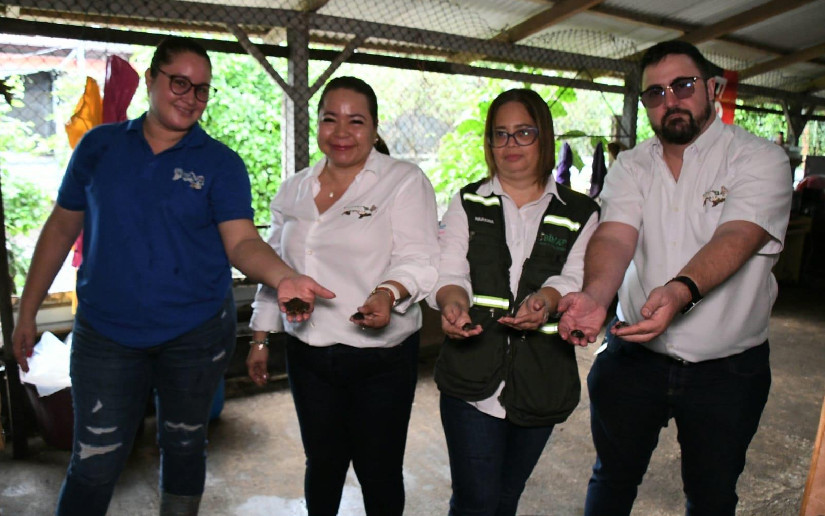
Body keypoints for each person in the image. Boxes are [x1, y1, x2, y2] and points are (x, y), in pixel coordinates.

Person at [11, 36, 332, 516]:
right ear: (151, 80)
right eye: (179, 83)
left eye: (201, 89)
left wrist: (283, 276)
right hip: (107, 334)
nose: (190, 97)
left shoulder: (220, 163)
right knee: (95, 459)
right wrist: (28, 312)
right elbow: (60, 228)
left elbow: (242, 242)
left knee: (184, 447)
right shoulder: (100, 146)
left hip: (194, 335)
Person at [557, 40, 793, 515]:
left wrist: (680, 291)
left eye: (683, 86)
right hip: (634, 357)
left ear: (713, 88)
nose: (671, 100)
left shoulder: (758, 158)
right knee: (612, 477)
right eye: (655, 93)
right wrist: (597, 297)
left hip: (727, 370)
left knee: (711, 494)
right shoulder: (632, 164)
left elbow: (738, 235)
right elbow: (615, 236)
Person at [246, 76, 439, 516]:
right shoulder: (294, 188)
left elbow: (420, 257)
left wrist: (388, 293)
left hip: (381, 359)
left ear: (374, 127)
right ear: (317, 124)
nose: (341, 132)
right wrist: (260, 336)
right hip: (308, 353)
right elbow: (274, 266)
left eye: (356, 121)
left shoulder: (402, 181)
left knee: (379, 470)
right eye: (330, 119)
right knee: (322, 464)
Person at [430, 88, 599, 516]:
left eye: (524, 132)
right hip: (472, 380)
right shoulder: (469, 201)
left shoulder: (581, 211)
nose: (510, 144)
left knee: (506, 497)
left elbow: (575, 277)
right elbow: (450, 272)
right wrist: (452, 303)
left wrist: (546, 299)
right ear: (489, 142)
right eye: (500, 134)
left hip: (542, 379)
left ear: (544, 137)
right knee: (477, 502)